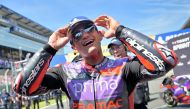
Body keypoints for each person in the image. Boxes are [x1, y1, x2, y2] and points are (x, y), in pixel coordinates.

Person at [13, 15, 178, 109]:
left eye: (88, 28)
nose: (84, 35)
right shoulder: (64, 72)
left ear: (100, 35)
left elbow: (167, 60)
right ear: (74, 47)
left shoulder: (125, 67)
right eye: (76, 34)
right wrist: (49, 49)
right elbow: (22, 88)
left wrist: (120, 31)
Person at [108, 38, 149, 109]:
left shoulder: (135, 62)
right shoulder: (110, 68)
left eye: (118, 47)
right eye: (113, 49)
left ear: (125, 47)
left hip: (138, 104)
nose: (115, 51)